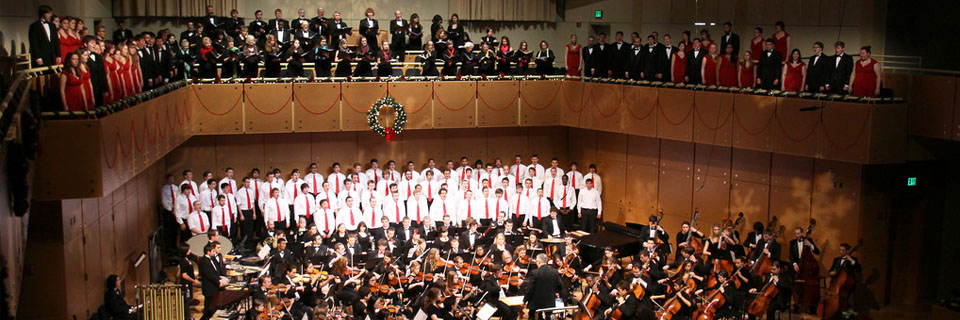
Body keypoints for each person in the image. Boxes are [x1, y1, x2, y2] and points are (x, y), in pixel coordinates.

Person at [524, 253, 562, 320]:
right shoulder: (554, 271)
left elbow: (530, 289)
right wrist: (553, 292)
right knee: (549, 317)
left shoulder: (534, 273)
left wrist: (525, 300)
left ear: (538, 262)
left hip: (536, 302)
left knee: (534, 317)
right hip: (550, 301)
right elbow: (560, 286)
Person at [198, 242, 227, 320]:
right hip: (209, 288)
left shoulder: (212, 259)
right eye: (213, 251)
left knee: (213, 307)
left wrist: (221, 279)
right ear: (208, 252)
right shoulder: (204, 261)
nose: (215, 253)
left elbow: (216, 271)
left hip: (214, 287)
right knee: (208, 308)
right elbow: (209, 275)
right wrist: (219, 282)